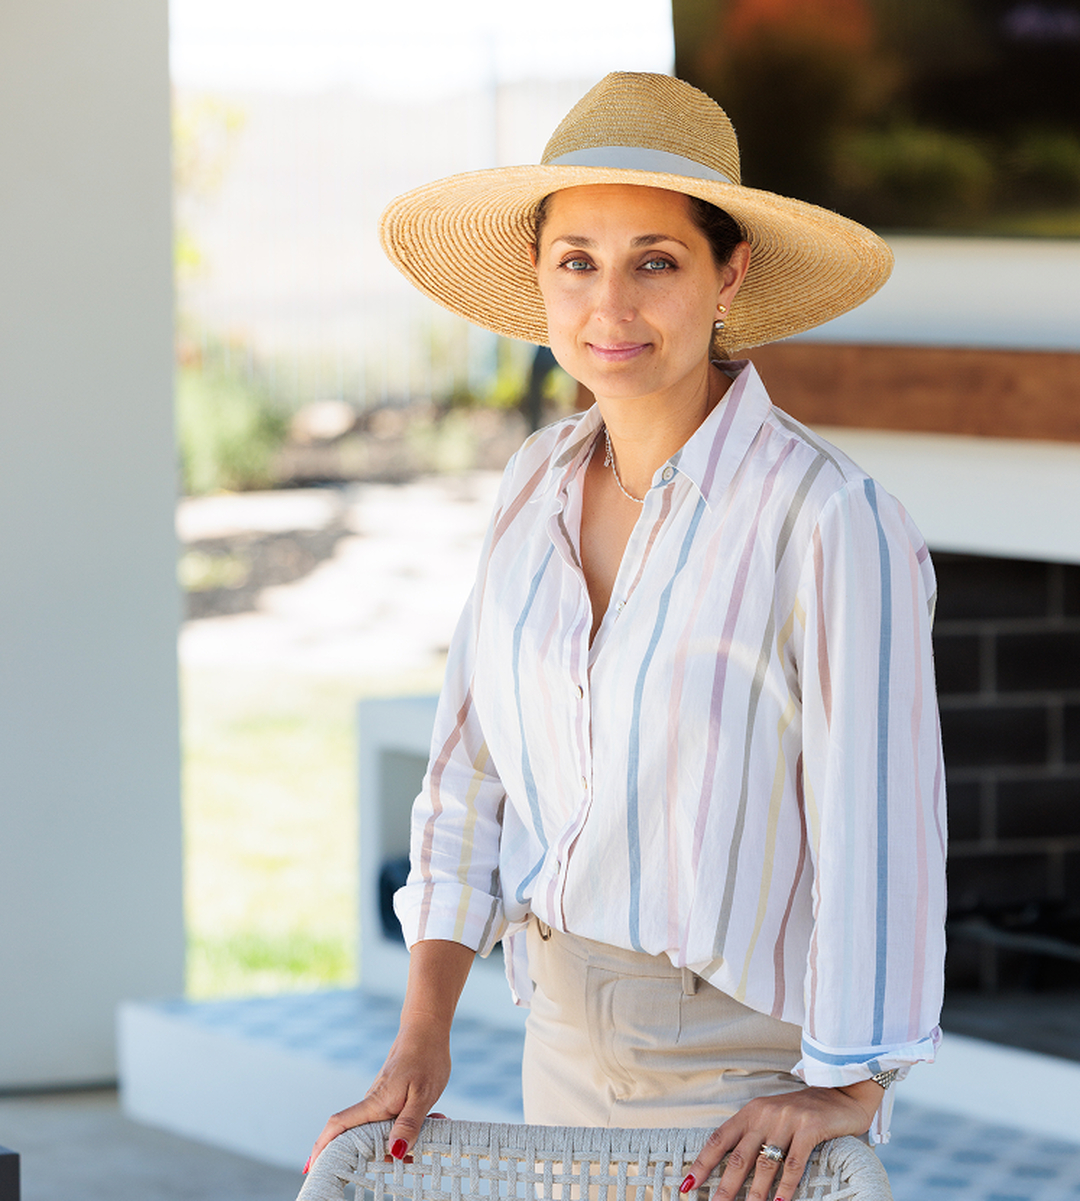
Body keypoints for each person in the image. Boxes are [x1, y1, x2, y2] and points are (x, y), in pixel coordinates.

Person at [306, 72, 946, 1201]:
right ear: (540, 279)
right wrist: (423, 1031)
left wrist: (852, 1082)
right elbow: (468, 775)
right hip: (554, 1049)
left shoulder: (829, 519)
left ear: (727, 275)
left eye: (656, 260)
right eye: (577, 261)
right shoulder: (532, 483)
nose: (611, 305)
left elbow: (880, 828)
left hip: (740, 1082)